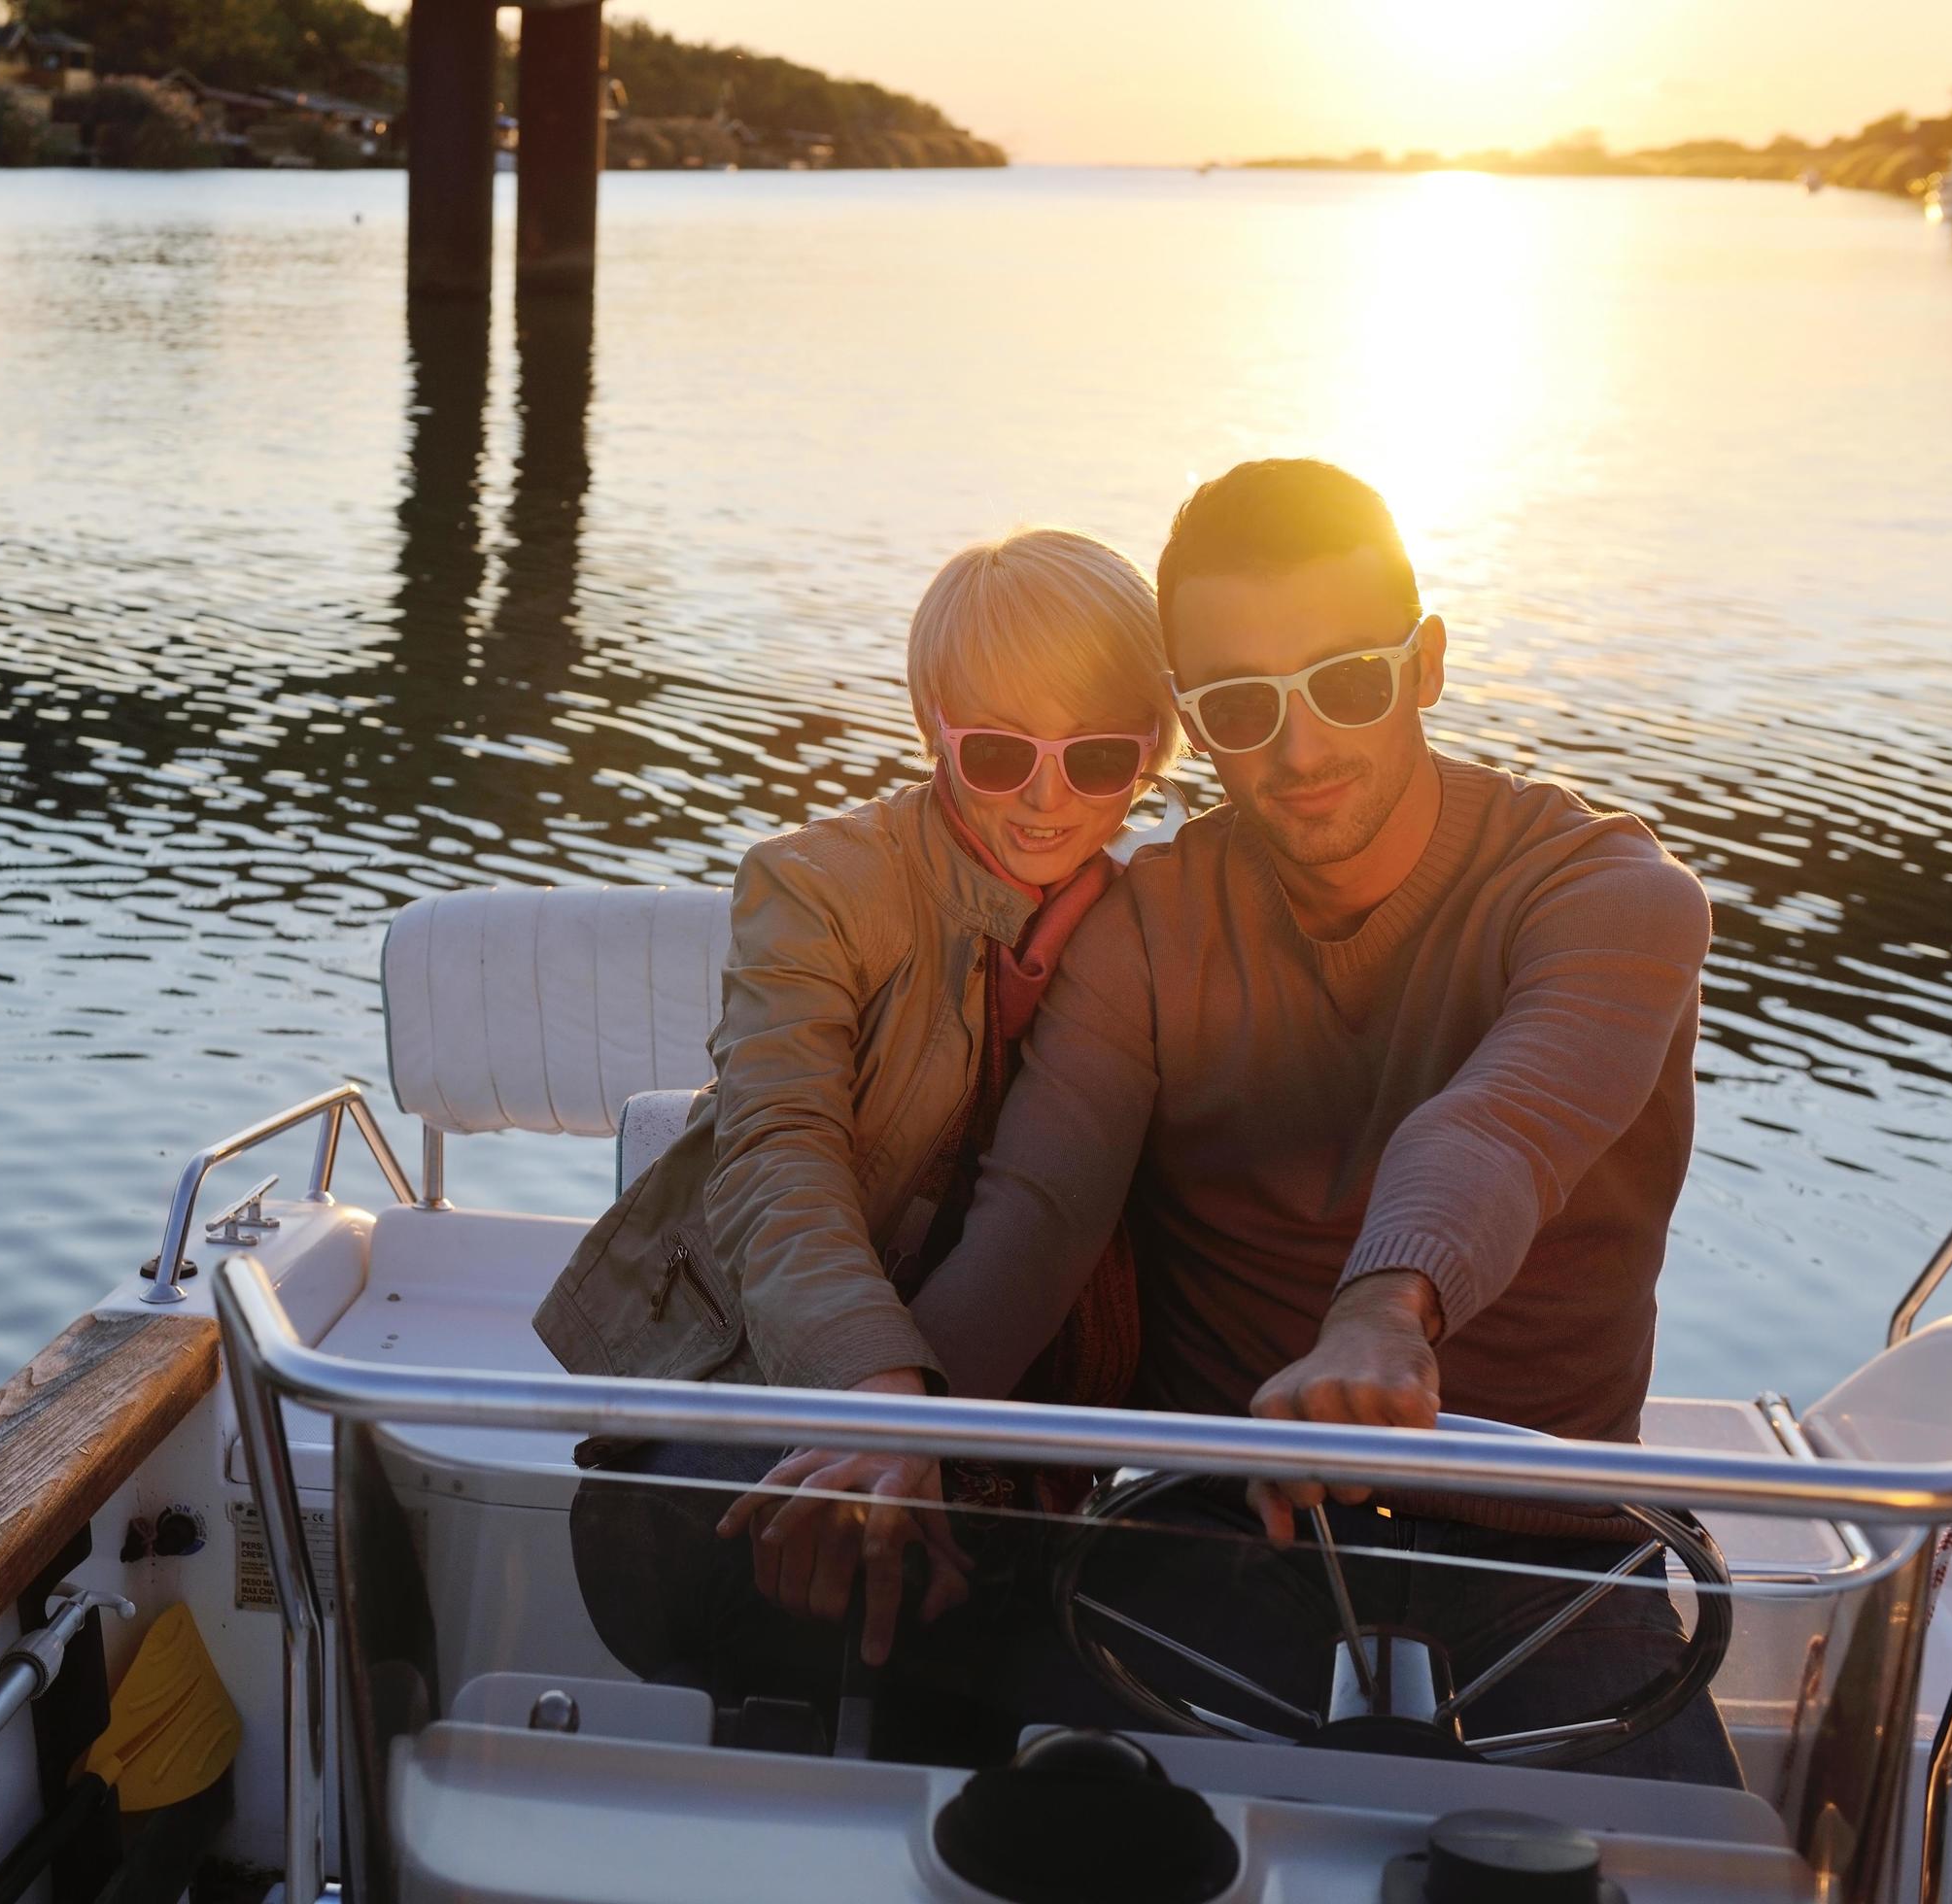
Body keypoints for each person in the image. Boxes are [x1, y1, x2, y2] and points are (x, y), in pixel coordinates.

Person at [874, 458, 1736, 1783]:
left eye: (1346, 682)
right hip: (1211, 1529)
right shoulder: (1149, 925)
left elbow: (1493, 1127)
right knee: (1008, 1813)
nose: (1299, 747)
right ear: (1190, 720)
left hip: (1548, 1553)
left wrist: (1382, 1320)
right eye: (1237, 704)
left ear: (1428, 664)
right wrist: (894, 1433)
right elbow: (1037, 1220)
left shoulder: (1612, 899)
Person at [533, 527, 1178, 1700]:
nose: (1045, 799)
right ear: (934, 723)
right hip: (758, 1370)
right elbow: (777, 1154)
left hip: (1025, 1425)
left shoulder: (1158, 922)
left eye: (1093, 759)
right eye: (994, 753)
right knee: (804, 1557)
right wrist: (877, 1394)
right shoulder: (819, 883)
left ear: (1151, 750)